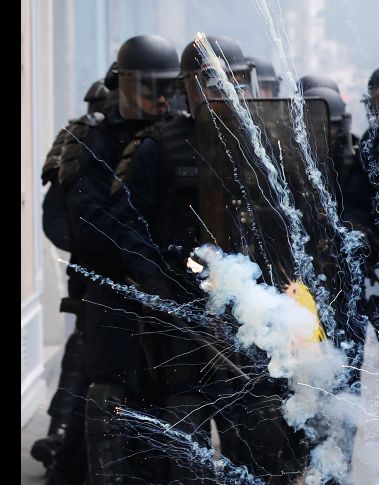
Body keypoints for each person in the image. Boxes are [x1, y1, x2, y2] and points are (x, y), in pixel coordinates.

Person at [110, 34, 307, 483]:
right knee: (186, 444)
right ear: (190, 89)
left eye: (231, 83)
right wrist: (158, 288)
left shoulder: (265, 148)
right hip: (182, 319)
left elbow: (295, 222)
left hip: (250, 316)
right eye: (211, 85)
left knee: (262, 436)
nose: (222, 94)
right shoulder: (157, 147)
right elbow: (127, 226)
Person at [57, 34, 180, 484]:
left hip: (167, 292)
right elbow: (86, 222)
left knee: (169, 406)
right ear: (123, 84)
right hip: (113, 290)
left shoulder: (178, 137)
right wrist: (141, 262)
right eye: (149, 87)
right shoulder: (93, 139)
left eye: (169, 86)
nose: (162, 97)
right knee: (107, 406)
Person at [30, 68, 117, 485]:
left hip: (150, 279)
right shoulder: (83, 144)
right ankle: (63, 444)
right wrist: (94, 247)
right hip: (96, 278)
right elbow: (57, 219)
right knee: (83, 355)